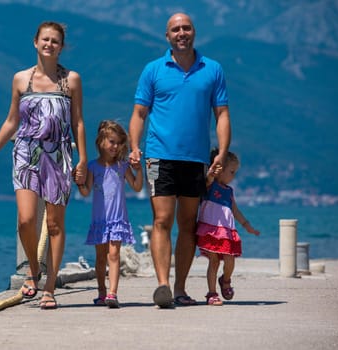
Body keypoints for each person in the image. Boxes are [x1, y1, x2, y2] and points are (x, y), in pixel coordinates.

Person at [0, 21, 87, 310]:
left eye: (55, 41)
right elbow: (11, 121)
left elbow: (77, 121)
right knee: (26, 220)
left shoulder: (71, 80)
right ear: (35, 42)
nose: (49, 44)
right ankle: (33, 269)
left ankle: (49, 286)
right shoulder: (20, 79)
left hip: (59, 156)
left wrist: (83, 160)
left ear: (61, 46)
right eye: (45, 39)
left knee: (54, 224)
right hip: (26, 154)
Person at [128, 12, 231, 308]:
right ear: (167, 36)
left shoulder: (212, 69)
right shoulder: (153, 70)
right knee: (162, 220)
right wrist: (134, 146)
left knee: (188, 224)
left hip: (196, 158)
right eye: (175, 29)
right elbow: (138, 113)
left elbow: (222, 115)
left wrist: (222, 152)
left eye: (186, 28)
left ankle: (180, 288)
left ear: (194, 32)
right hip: (159, 155)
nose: (181, 33)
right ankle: (162, 284)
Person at [76, 120, 143, 308]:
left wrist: (139, 171)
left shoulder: (122, 166)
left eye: (119, 142)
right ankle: (101, 292)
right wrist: (79, 182)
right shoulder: (92, 167)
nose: (116, 146)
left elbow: (137, 187)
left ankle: (112, 293)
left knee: (114, 255)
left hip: (117, 219)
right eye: (112, 141)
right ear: (101, 142)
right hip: (100, 220)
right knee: (100, 257)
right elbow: (85, 192)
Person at [197, 149, 260, 305]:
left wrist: (247, 226)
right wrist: (212, 172)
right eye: (232, 172)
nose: (234, 176)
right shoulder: (210, 185)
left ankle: (225, 280)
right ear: (220, 170)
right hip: (210, 229)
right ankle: (211, 293)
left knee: (230, 259)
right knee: (214, 261)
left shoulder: (229, 191)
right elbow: (208, 179)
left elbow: (235, 210)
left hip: (226, 231)